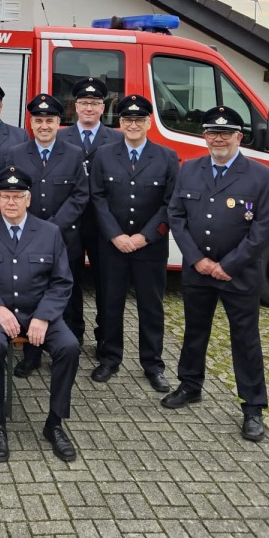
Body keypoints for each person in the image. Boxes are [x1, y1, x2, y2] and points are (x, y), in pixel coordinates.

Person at [163, 106, 269, 443]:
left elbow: (265, 230)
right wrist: (197, 259)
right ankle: (190, 385)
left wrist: (227, 266)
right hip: (198, 270)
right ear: (204, 136)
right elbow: (177, 216)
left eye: (225, 133)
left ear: (238, 138)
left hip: (239, 275)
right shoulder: (189, 170)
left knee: (245, 340)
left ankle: (253, 406)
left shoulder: (261, 176)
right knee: (194, 331)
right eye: (212, 132)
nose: (218, 138)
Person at [0, 167, 81, 462]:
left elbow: (62, 281)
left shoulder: (50, 232)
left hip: (39, 312)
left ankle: (55, 423)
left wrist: (44, 316)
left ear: (28, 199)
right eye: (5, 196)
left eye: (17, 196)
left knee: (70, 347)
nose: (11, 202)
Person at [88, 95, 178, 391]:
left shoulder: (166, 157)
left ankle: (152, 364)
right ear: (120, 123)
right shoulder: (103, 154)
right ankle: (109, 358)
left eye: (139, 120)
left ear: (149, 123)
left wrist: (144, 236)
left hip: (149, 247)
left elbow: (170, 203)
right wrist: (116, 235)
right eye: (128, 120)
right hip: (113, 245)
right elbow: (97, 197)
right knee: (109, 303)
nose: (133, 125)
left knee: (151, 307)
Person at [0, 92, 90, 372]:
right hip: (24, 241)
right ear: (32, 123)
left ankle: (66, 347)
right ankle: (31, 353)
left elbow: (80, 195)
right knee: (31, 291)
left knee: (68, 293)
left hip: (64, 238)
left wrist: (52, 226)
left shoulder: (74, 153)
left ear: (58, 122)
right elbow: (9, 195)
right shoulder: (15, 153)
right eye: (39, 120)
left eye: (49, 120)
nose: (44, 125)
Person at [57, 77, 123, 367]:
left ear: (103, 107)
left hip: (103, 224)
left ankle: (106, 343)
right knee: (68, 282)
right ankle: (72, 335)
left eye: (95, 103)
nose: (88, 108)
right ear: (75, 106)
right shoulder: (60, 137)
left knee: (107, 286)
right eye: (83, 102)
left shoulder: (117, 139)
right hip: (71, 223)